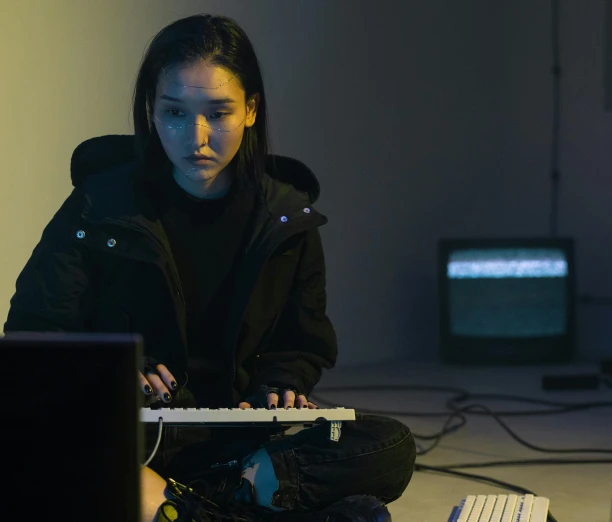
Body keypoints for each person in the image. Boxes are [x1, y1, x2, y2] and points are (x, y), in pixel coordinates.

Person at [4, 13, 415, 522]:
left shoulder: (286, 219)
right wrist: (110, 373)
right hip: (132, 438)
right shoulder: (99, 205)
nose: (196, 137)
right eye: (175, 113)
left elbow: (302, 342)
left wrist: (281, 382)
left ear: (250, 110)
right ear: (151, 112)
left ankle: (184, 508)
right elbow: (36, 332)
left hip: (235, 441)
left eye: (218, 113)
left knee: (389, 445)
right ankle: (240, 508)